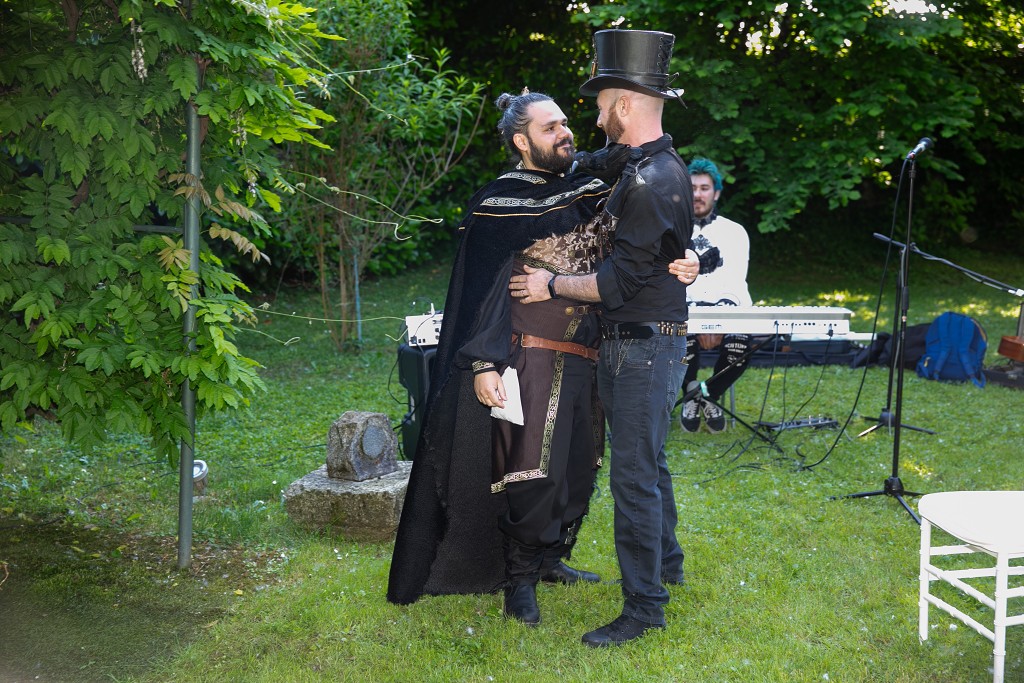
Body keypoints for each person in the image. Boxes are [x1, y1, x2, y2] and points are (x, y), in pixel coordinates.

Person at [387, 90, 612, 627]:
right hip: (530, 358)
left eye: (565, 123)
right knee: (532, 473)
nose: (565, 133)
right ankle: (519, 581)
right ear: (521, 141)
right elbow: (484, 294)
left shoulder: (590, 189)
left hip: (589, 357)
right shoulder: (499, 204)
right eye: (550, 127)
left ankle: (552, 558)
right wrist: (484, 363)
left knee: (578, 469)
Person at [510, 29, 698, 647]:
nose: (591, 120)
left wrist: (550, 283)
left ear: (623, 104)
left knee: (634, 477)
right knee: (650, 464)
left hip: (642, 346)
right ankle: (667, 566)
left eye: (598, 106)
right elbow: (593, 162)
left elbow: (614, 283)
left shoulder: (651, 182)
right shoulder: (645, 163)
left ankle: (644, 608)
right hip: (645, 342)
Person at [677, 157, 753, 434]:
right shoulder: (671, 230)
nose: (697, 194)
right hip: (684, 310)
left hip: (726, 310)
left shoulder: (735, 232)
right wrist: (700, 321)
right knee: (675, 336)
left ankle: (707, 395)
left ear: (716, 193)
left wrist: (718, 320)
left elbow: (735, 279)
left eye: (704, 188)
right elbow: (670, 280)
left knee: (742, 344)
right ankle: (692, 390)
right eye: (692, 188)